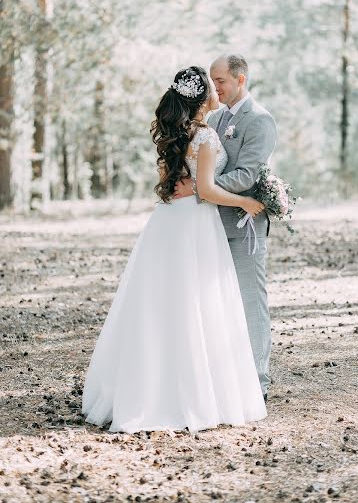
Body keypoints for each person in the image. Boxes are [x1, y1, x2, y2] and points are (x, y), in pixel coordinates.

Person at [81, 66, 267, 434]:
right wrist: (246, 202)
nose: (216, 89)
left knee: (160, 301)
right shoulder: (205, 135)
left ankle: (146, 388)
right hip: (196, 223)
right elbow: (208, 190)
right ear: (202, 99)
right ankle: (191, 395)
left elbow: (170, 181)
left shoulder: (174, 134)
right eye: (210, 86)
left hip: (166, 223)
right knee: (195, 302)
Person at [174, 55, 277, 401]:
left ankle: (258, 382)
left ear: (241, 79)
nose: (214, 87)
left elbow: (248, 175)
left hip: (244, 224)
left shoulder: (260, 120)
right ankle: (223, 378)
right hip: (208, 226)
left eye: (220, 81)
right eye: (213, 81)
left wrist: (203, 188)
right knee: (217, 304)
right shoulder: (213, 118)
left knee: (250, 300)